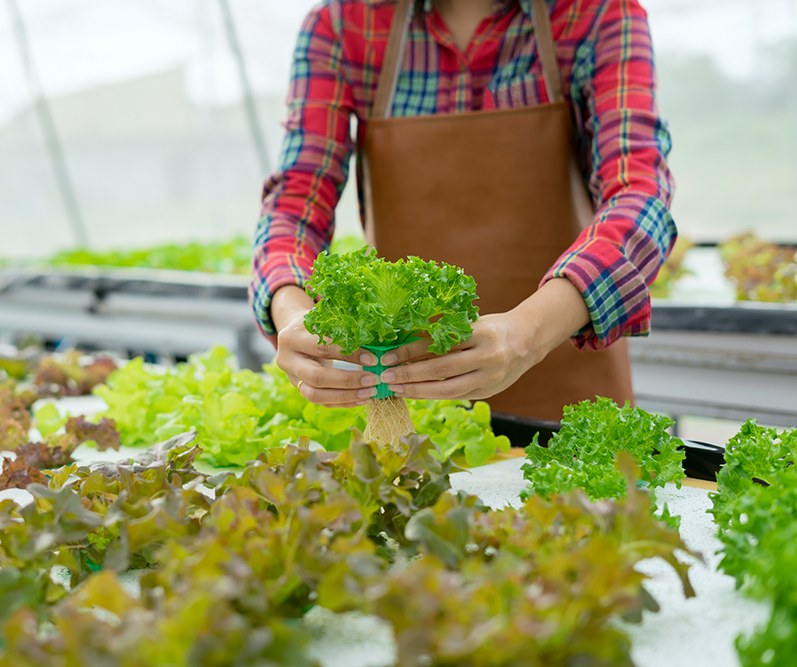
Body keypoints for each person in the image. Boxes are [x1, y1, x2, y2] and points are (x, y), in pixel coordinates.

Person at [249, 0, 676, 422]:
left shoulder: (597, 13)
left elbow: (641, 197)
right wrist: (294, 313)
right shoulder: (344, 25)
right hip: (407, 396)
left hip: (569, 381)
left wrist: (527, 333)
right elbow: (295, 203)